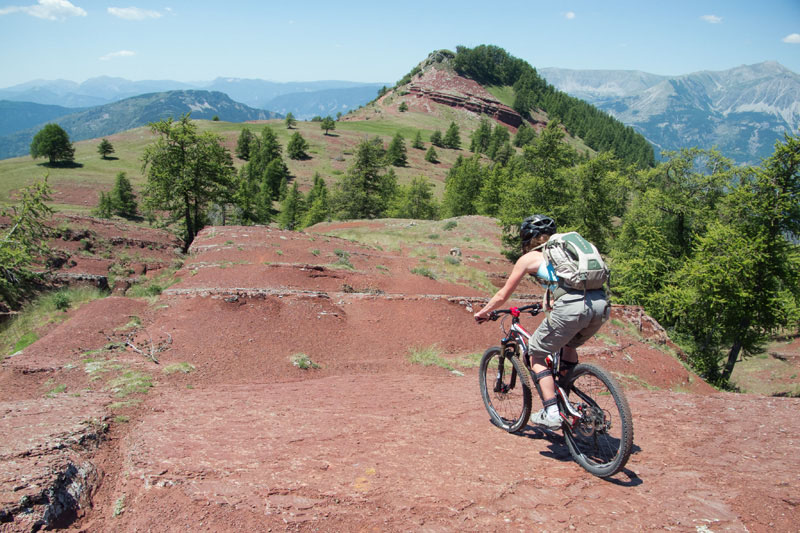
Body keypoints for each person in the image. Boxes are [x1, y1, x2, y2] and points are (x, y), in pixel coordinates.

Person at [474, 215, 610, 429]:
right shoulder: (565, 253)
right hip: (600, 305)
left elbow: (502, 295)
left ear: (527, 238)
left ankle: (552, 412)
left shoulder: (530, 259)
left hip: (571, 309)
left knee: (535, 353)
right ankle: (566, 392)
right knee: (568, 344)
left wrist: (483, 312)